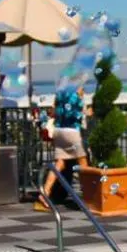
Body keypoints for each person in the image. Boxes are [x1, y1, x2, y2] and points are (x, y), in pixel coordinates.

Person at [36, 83, 89, 211]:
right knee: (84, 165)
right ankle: (89, 195)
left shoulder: (60, 92)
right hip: (72, 132)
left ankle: (45, 192)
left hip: (59, 132)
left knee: (59, 164)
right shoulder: (77, 93)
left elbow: (54, 111)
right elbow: (79, 113)